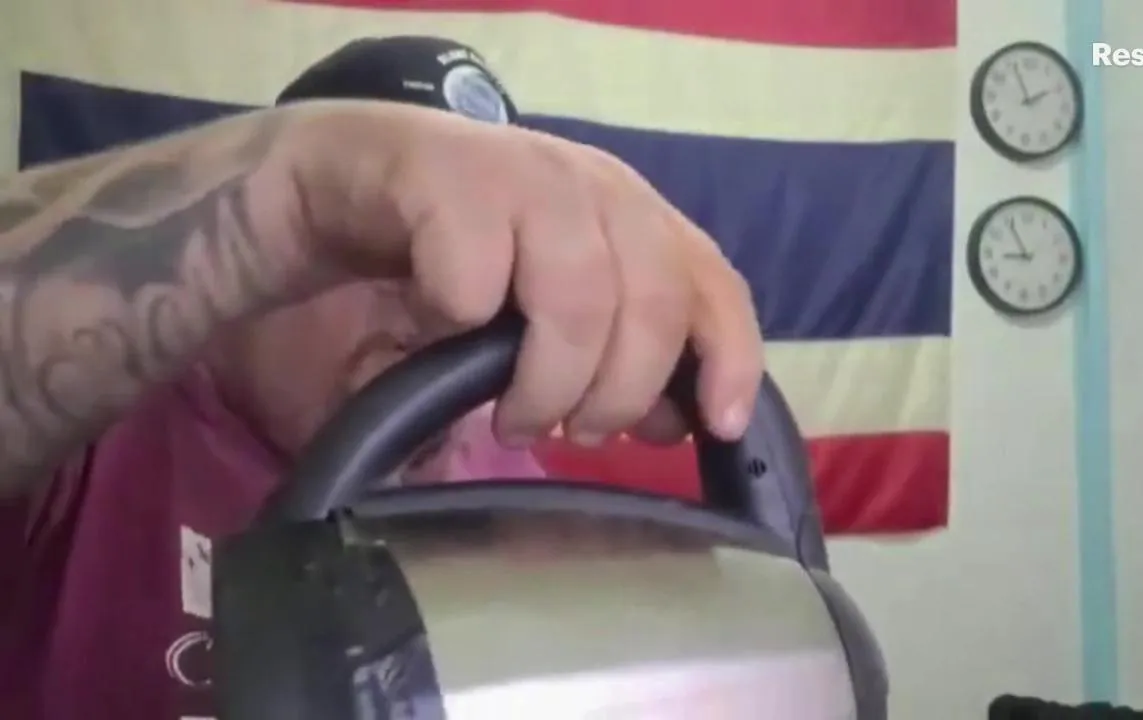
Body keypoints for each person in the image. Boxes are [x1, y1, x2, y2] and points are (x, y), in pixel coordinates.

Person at [0, 36, 763, 720]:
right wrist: (295, 189)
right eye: (383, 246)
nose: (449, 304)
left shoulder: (502, 476)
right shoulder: (92, 418)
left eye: (492, 268)